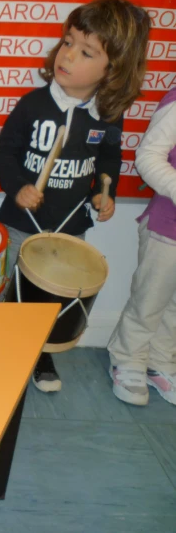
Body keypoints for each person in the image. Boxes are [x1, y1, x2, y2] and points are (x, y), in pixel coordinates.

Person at [0, 0, 151, 393]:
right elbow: (5, 151)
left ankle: (39, 354)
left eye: (86, 52)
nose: (68, 55)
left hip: (69, 229)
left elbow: (109, 158)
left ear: (111, 69)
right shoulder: (33, 105)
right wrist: (18, 188)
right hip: (20, 223)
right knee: (10, 293)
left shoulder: (108, 114)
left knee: (48, 299)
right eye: (68, 42)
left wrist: (105, 191)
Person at [108, 87, 176, 406]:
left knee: (174, 307)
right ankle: (128, 358)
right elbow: (149, 156)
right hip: (167, 226)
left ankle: (161, 362)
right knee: (150, 297)